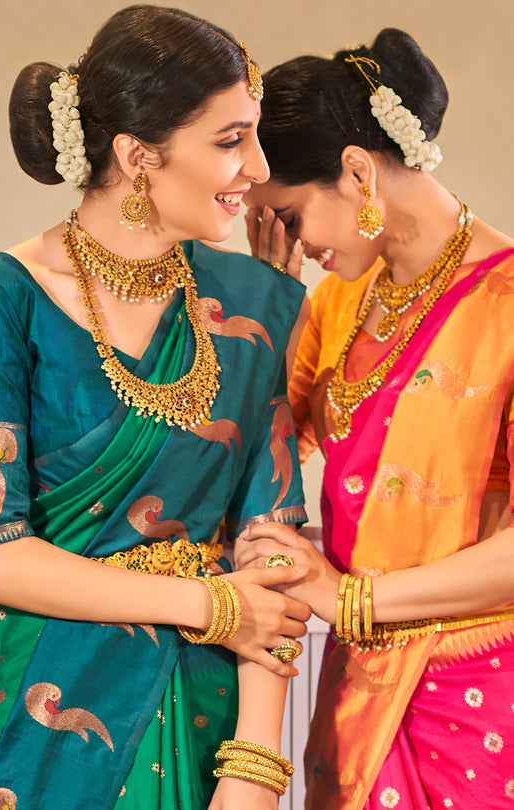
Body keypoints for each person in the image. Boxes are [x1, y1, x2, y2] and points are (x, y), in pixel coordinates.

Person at [0, 6, 313, 809]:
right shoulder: (1, 300)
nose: (258, 169)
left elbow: (273, 540)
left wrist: (254, 767)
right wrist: (207, 602)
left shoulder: (258, 302)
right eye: (230, 141)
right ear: (137, 156)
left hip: (207, 712)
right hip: (33, 713)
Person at [238, 27, 514, 809]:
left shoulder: (508, 303)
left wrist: (351, 600)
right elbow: (256, 454)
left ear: (357, 172)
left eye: (286, 214)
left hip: (477, 699)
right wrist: (269, 306)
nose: (284, 241)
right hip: (358, 698)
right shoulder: (337, 301)